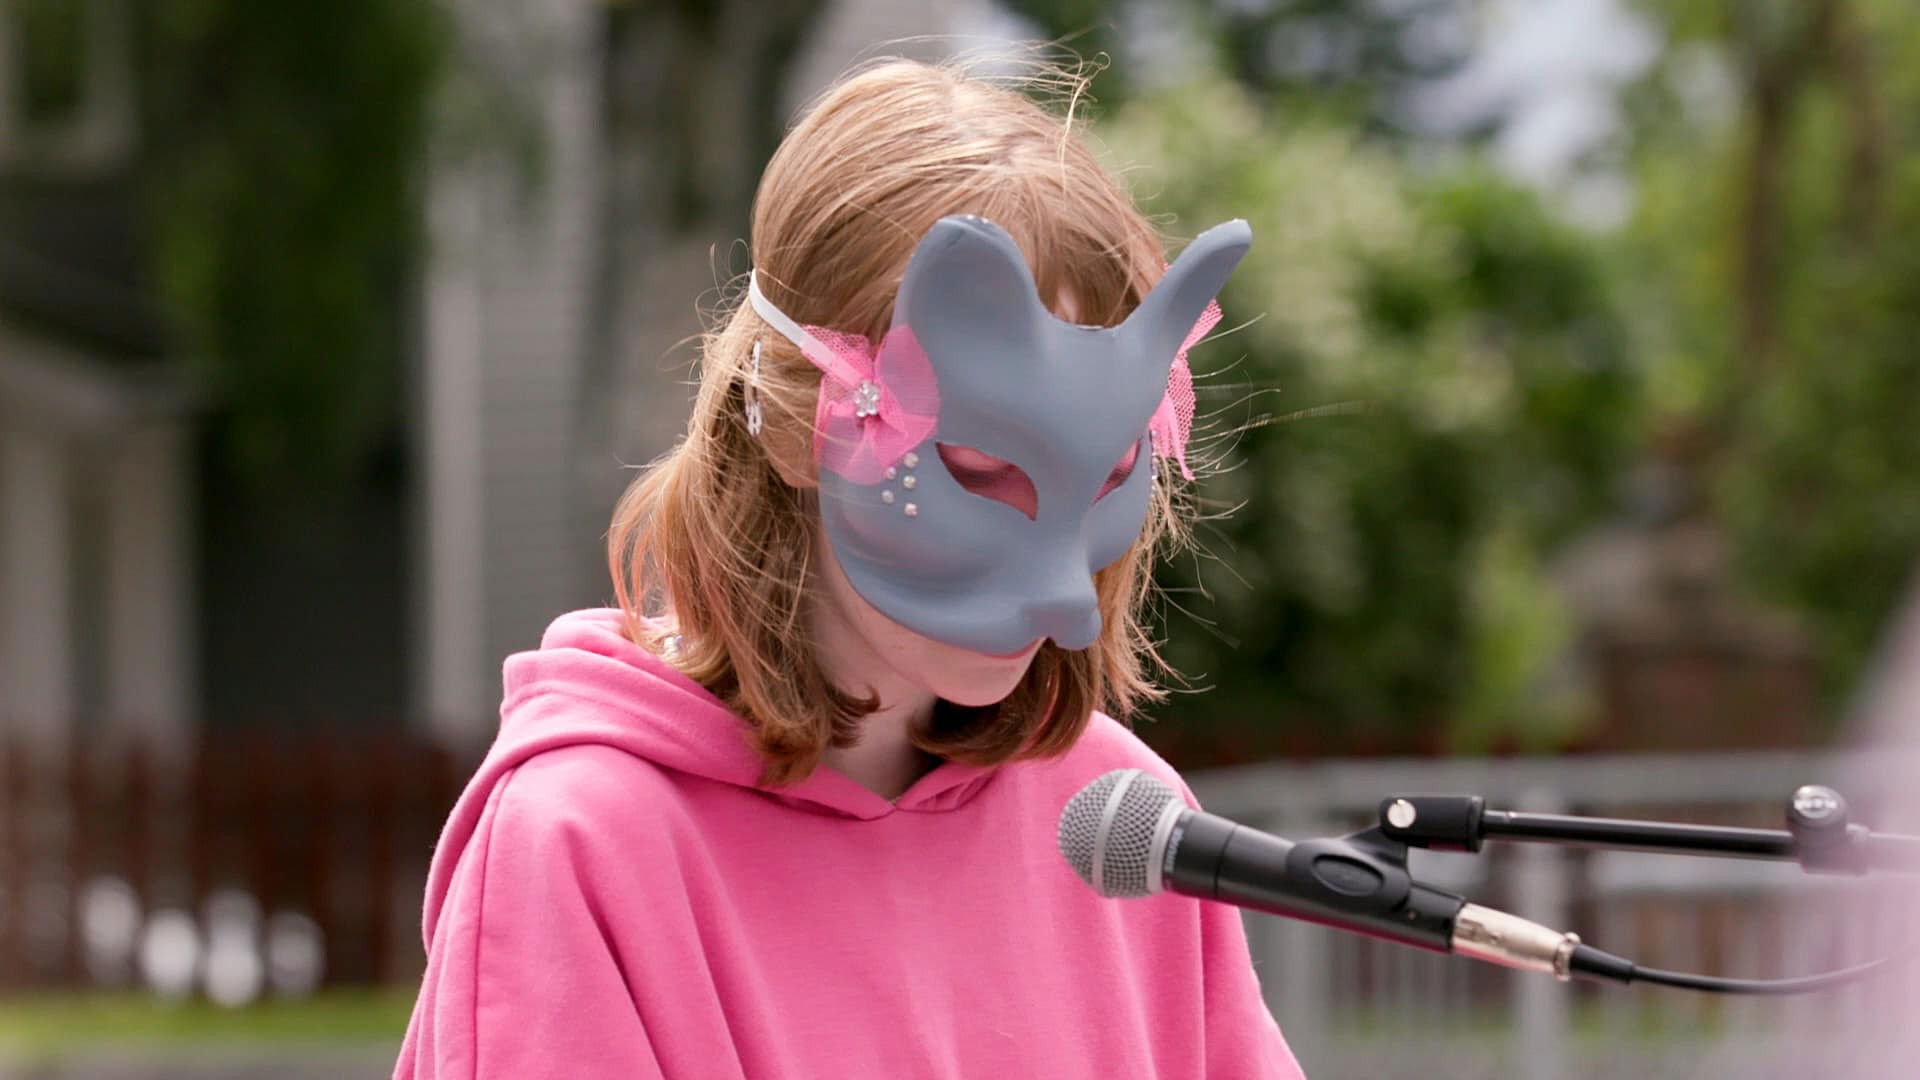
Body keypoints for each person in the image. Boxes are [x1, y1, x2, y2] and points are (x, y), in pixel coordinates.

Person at [393, 53, 1305, 1079]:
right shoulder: (583, 840)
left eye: (1111, 471)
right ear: (795, 423)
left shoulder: (1126, 826)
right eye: (981, 468)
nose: (1063, 590)